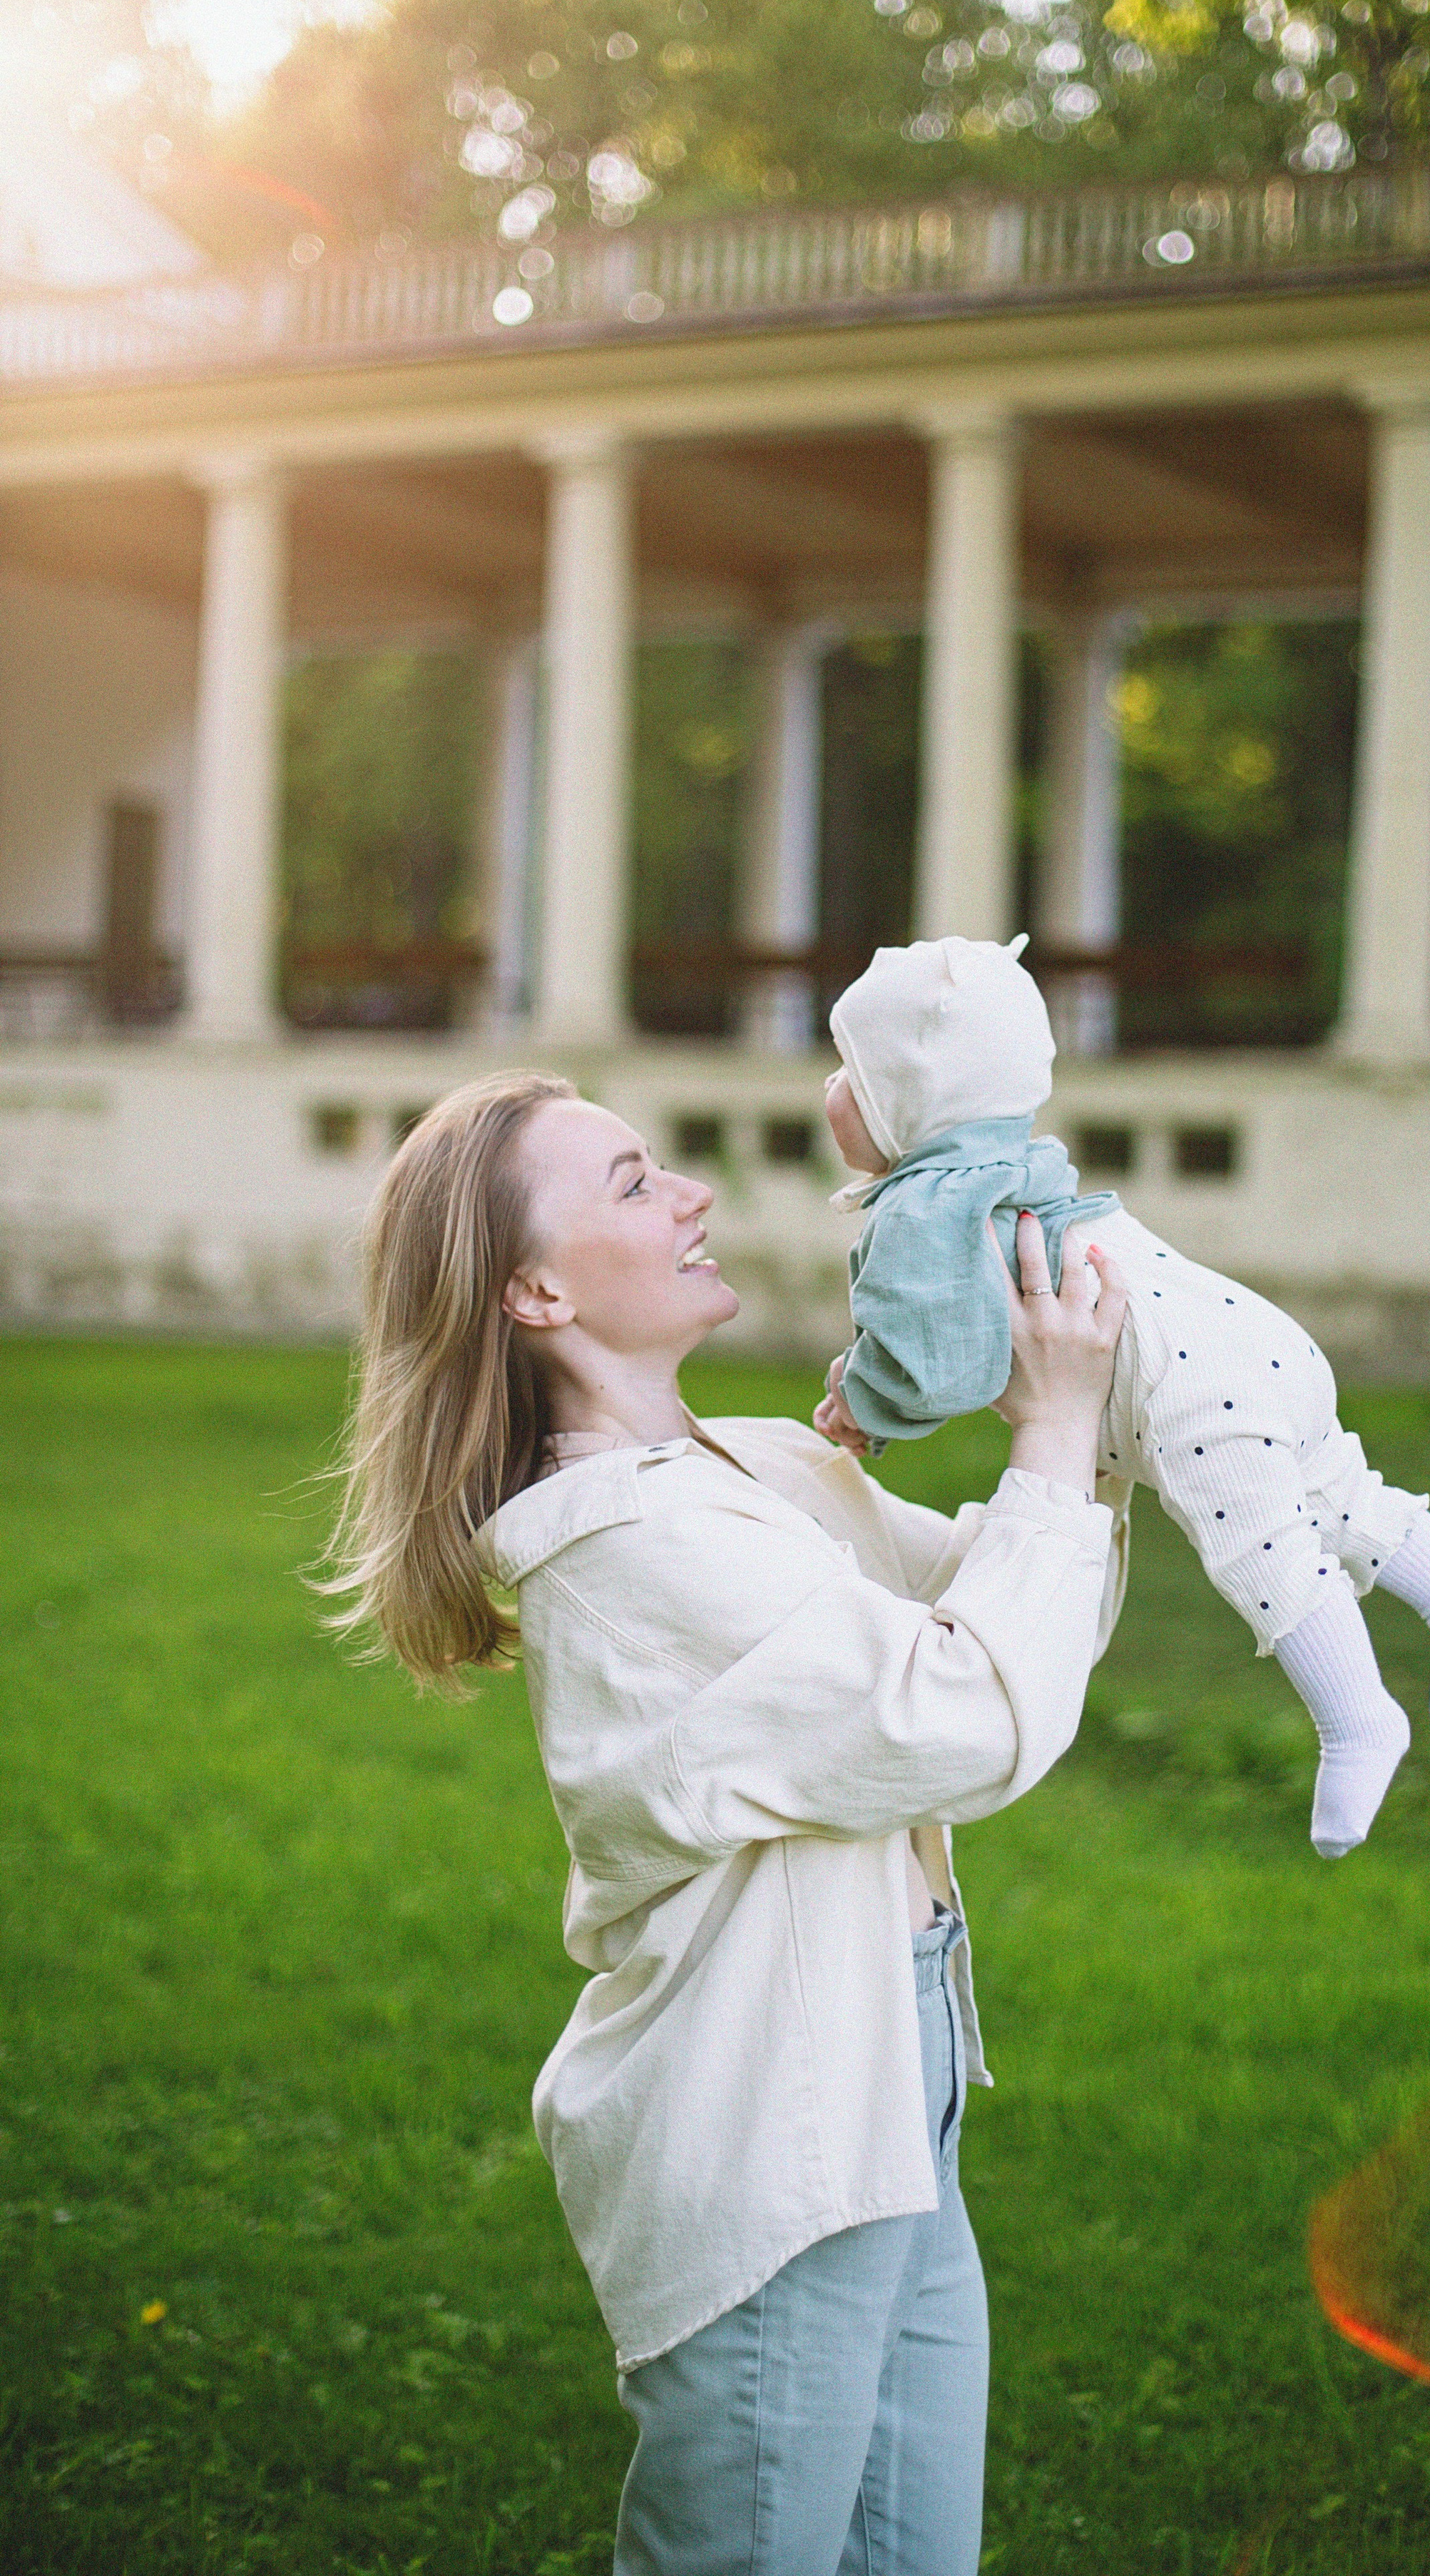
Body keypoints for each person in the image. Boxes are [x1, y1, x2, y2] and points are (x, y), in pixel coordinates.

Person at [323, 1068, 1131, 2576]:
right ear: (534, 1291)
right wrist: (1051, 1439)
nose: (691, 1194)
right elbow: (964, 1710)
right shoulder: (631, 1547)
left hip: (894, 2103)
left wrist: (1045, 1363)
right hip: (774, 2133)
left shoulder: (747, 1463)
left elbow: (1031, 1604)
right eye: (632, 1183)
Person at [812, 938, 1430, 1859]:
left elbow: (936, 1354)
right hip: (1243, 1334)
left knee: (1262, 1547)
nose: (828, 1089)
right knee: (1339, 1494)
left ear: (909, 1101)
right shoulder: (1010, 1165)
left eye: (848, 1071)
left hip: (1185, 1390)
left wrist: (864, 1406)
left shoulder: (926, 1211)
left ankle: (1356, 1717)